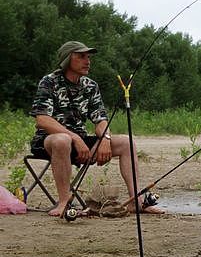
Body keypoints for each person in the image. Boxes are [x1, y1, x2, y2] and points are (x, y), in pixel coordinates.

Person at [30, 41, 164, 216]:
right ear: (67, 59)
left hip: (80, 142)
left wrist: (105, 139)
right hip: (49, 141)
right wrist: (75, 139)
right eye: (81, 56)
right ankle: (64, 202)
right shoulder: (49, 82)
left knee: (126, 142)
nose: (88, 61)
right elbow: (42, 120)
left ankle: (136, 201)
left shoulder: (90, 85)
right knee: (63, 140)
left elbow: (100, 120)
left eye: (88, 57)